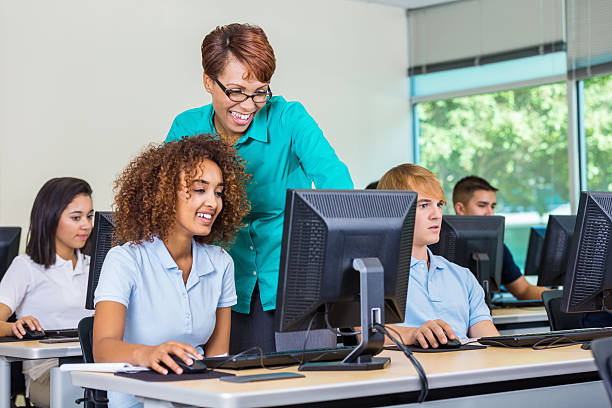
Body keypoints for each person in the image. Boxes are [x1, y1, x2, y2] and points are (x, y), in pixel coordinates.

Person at [166, 23, 353, 354]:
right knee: (234, 388)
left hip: (295, 282)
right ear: (209, 82)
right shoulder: (187, 126)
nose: (249, 106)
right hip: (217, 283)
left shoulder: (289, 118)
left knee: (310, 388)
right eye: (236, 91)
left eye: (260, 92)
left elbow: (335, 182)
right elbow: (168, 204)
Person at [92, 134, 250, 408]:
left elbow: (217, 356)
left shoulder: (222, 263)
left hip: (196, 397)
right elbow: (103, 348)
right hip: (137, 400)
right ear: (164, 194)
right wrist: (149, 354)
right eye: (200, 189)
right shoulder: (125, 259)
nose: (213, 203)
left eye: (218, 192)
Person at [377, 164, 499, 348]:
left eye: (439, 205)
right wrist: (413, 334)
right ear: (393, 210)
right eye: (424, 205)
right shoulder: (371, 275)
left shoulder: (462, 276)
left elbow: (490, 341)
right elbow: (365, 334)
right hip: (409, 374)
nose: (437, 215)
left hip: (465, 373)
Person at [0, 177, 95, 407]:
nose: (86, 225)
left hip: (93, 365)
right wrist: (14, 327)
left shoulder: (96, 265)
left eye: (90, 216)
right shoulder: (27, 266)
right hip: (47, 371)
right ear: (51, 218)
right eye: (76, 217)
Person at [452, 176, 548, 300]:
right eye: (482, 206)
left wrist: (559, 296)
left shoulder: (497, 247)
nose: (490, 213)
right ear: (460, 209)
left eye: (492, 206)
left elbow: (524, 290)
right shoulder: (433, 245)